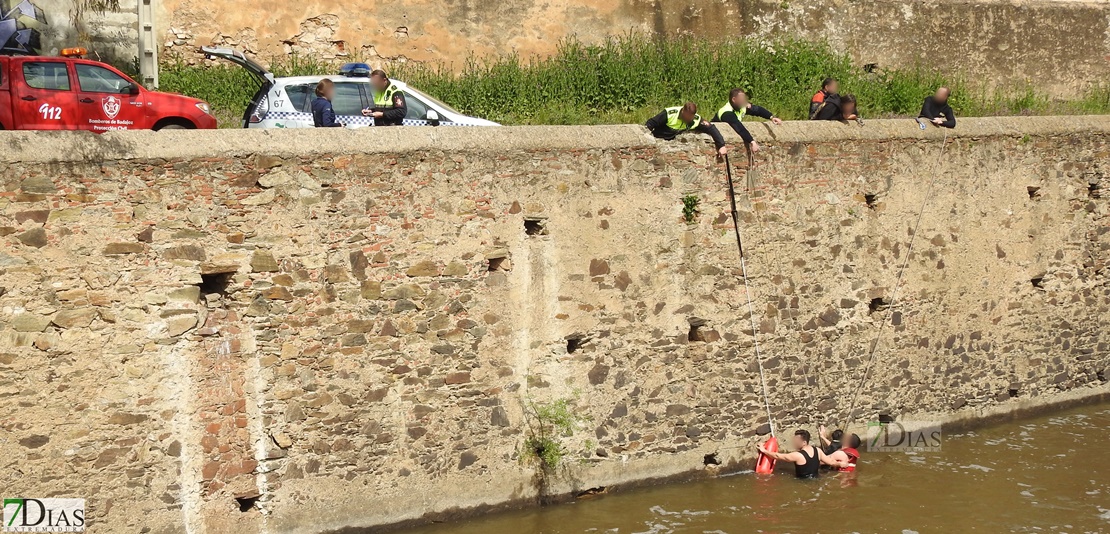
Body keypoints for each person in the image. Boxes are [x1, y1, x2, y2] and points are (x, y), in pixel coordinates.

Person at [645, 102, 728, 156]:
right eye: (685, 117)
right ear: (682, 111)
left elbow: (711, 128)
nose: (687, 119)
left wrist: (722, 145)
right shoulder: (669, 113)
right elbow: (650, 124)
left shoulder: (696, 119)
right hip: (659, 140)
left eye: (689, 118)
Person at [712, 88, 782, 153]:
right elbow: (739, 127)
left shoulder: (741, 106)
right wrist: (752, 141)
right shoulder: (726, 113)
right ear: (734, 99)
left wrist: (771, 117)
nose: (744, 101)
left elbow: (757, 110)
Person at [757, 429, 846, 478]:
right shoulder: (818, 451)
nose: (794, 442)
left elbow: (777, 456)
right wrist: (841, 464)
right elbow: (831, 462)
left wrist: (764, 451)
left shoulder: (797, 455)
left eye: (796, 440)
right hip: (817, 479)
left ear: (804, 442)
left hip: (803, 482)